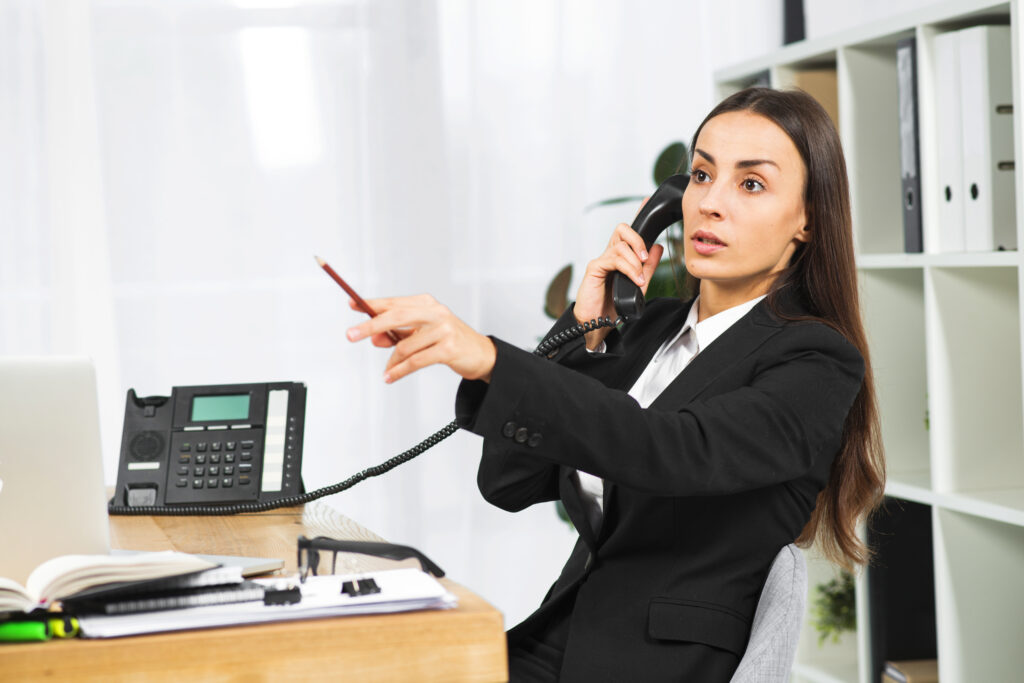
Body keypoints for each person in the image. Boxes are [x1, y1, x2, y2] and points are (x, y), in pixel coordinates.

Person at [345, 87, 886, 682]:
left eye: (751, 184)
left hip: (653, 666)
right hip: (554, 643)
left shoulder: (816, 361)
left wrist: (490, 359)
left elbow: (671, 449)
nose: (710, 203)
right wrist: (585, 329)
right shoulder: (642, 329)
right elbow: (508, 480)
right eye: (702, 174)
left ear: (808, 218)